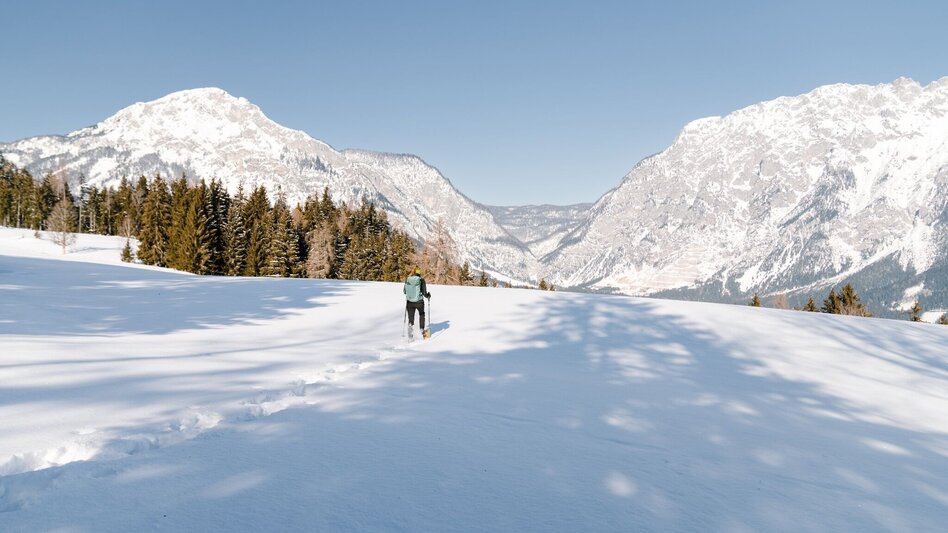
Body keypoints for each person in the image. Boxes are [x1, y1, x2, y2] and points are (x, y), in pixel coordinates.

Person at [404, 267, 431, 338]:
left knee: (411, 317)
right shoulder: (421, 280)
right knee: (421, 314)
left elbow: (404, 291)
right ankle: (422, 330)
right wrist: (428, 295)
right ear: (419, 273)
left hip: (409, 302)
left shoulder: (408, 279)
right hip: (419, 302)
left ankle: (410, 331)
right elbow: (424, 293)